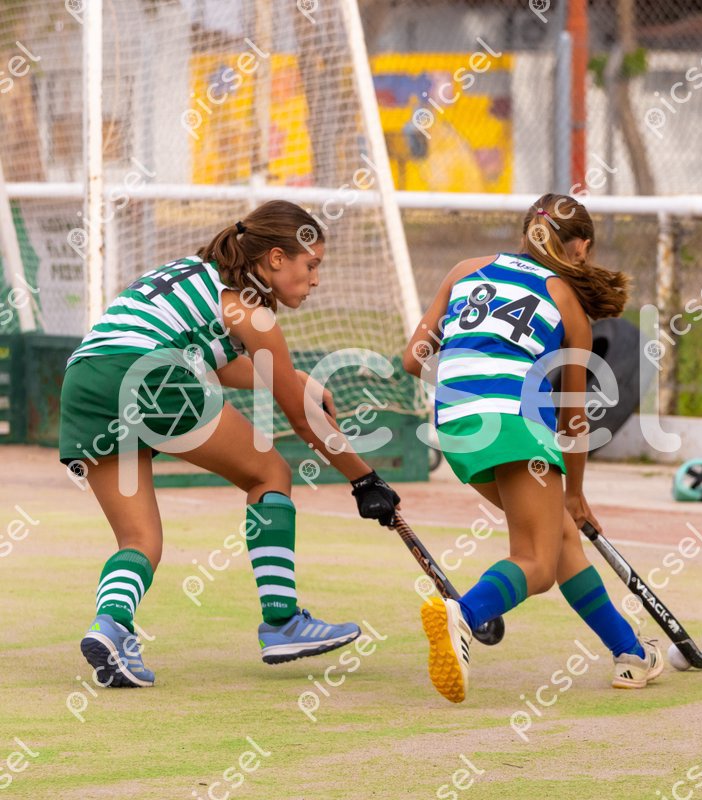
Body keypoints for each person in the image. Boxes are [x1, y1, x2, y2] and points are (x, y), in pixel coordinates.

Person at [59, 200, 400, 687]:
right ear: (276, 258)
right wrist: (365, 480)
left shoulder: (195, 274)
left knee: (139, 540)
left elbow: (214, 363)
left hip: (86, 381)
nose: (316, 280)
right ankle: (282, 622)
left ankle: (110, 628)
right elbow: (304, 423)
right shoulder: (251, 312)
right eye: (311, 265)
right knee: (270, 473)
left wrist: (293, 378)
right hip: (150, 375)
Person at [402, 193, 663, 703]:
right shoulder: (567, 304)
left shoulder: (464, 270)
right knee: (537, 563)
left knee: (560, 538)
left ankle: (631, 654)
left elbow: (414, 359)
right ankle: (464, 614)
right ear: (581, 247)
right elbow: (572, 419)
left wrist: (470, 379)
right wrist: (576, 492)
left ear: (526, 232)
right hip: (515, 428)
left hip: (455, 425)